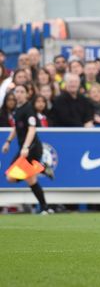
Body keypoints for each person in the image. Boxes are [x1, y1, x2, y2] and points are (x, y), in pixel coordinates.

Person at [1, 84, 54, 213]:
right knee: (30, 180)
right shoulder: (17, 110)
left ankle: (41, 168)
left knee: (11, 177)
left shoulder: (28, 109)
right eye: (16, 91)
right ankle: (45, 208)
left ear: (26, 94)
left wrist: (26, 147)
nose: (18, 94)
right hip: (24, 149)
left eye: (21, 91)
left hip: (31, 148)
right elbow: (16, 128)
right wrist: (8, 141)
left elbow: (32, 129)